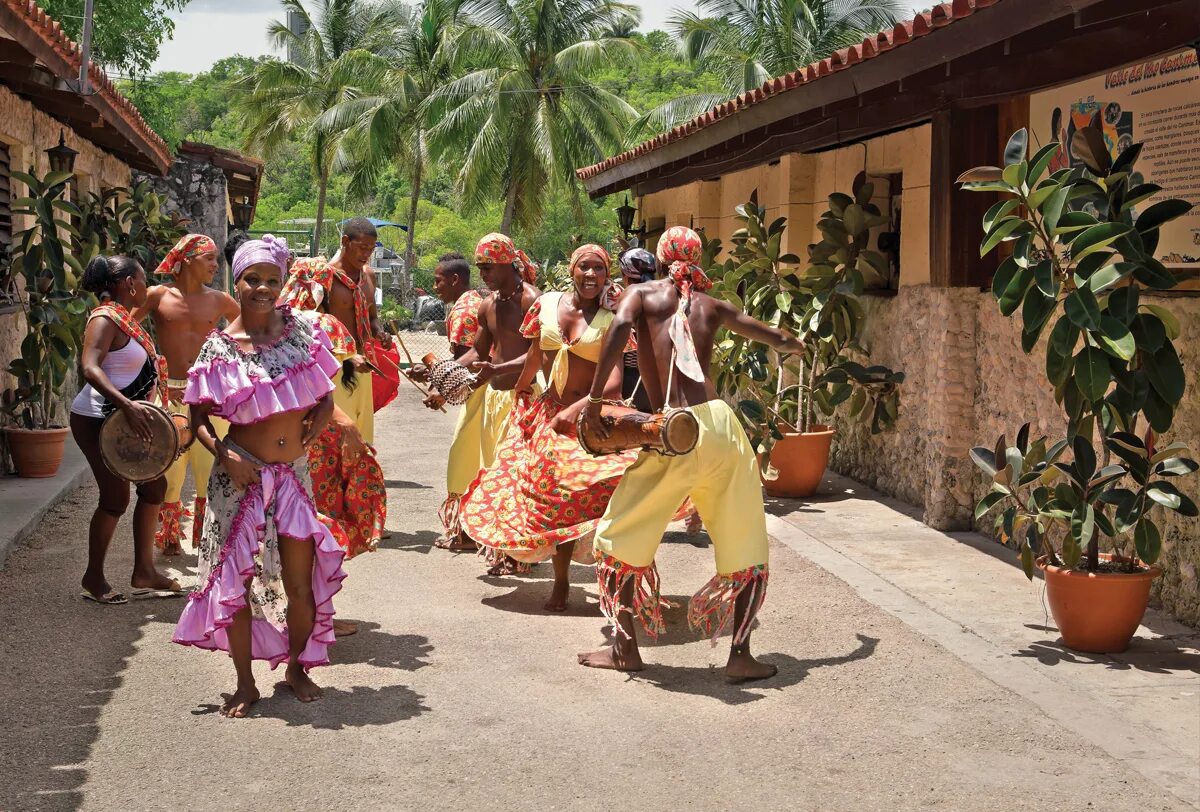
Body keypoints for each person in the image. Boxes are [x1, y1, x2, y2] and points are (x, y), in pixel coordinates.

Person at [577, 226, 803, 682]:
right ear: (698, 258)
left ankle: (624, 648)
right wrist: (793, 342)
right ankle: (740, 655)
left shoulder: (641, 295)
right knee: (743, 540)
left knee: (617, 536)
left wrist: (596, 400)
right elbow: (772, 336)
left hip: (674, 431)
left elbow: (619, 328)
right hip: (721, 426)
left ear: (658, 259)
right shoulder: (711, 305)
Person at [173, 235, 347, 718]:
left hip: (292, 477)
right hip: (239, 482)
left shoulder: (304, 334)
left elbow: (324, 391)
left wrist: (320, 420)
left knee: (299, 582)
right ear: (238, 280)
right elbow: (198, 416)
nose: (264, 289)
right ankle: (245, 683)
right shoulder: (219, 348)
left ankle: (296, 668)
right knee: (236, 585)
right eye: (253, 279)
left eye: (273, 280)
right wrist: (224, 454)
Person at [460, 245, 635, 611]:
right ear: (571, 270)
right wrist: (523, 388)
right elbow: (537, 354)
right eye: (584, 267)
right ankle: (561, 582)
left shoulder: (612, 318)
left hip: (594, 418)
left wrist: (580, 408)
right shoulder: (549, 305)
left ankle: (616, 580)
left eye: (599, 269)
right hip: (549, 416)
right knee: (553, 499)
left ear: (607, 276)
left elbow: (615, 383)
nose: (591, 275)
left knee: (615, 495)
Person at [278, 252, 386, 637]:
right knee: (322, 524)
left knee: (290, 526)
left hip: (283, 441)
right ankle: (319, 614)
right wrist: (349, 428)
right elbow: (326, 387)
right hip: (325, 440)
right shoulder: (325, 326)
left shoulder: (275, 328)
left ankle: (293, 612)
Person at [71, 255, 184, 604]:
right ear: (128, 284)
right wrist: (125, 404)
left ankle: (144, 571)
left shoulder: (125, 319)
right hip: (99, 418)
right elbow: (89, 367)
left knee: (155, 488)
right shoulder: (104, 319)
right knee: (114, 498)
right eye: (142, 277)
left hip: (126, 418)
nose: (146, 285)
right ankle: (93, 577)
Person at [133, 234, 239, 556]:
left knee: (212, 466)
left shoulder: (220, 300)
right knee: (168, 472)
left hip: (210, 396)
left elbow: (253, 331)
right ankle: (168, 539)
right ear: (189, 259)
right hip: (168, 396)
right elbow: (122, 327)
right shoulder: (157, 296)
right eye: (209, 258)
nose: (215, 265)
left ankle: (208, 537)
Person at [454, 233, 541, 570]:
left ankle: (518, 552)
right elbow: (478, 351)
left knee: (516, 478)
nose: (484, 274)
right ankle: (507, 551)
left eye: (488, 266)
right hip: (495, 399)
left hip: (524, 398)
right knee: (495, 475)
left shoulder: (531, 300)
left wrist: (497, 369)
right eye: (480, 268)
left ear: (507, 262)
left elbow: (541, 355)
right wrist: (441, 372)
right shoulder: (488, 304)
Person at [281, 217, 392, 445]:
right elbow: (306, 328)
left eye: (370, 250)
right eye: (361, 248)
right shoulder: (323, 277)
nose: (366, 255)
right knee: (336, 441)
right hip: (333, 369)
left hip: (363, 367)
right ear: (345, 241)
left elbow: (372, 319)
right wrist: (347, 357)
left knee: (361, 439)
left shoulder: (368, 276)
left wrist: (380, 332)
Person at [419, 253, 486, 551]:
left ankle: (466, 532)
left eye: (438, 281)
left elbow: (470, 360)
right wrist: (434, 372)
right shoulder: (475, 301)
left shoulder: (462, 310)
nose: (435, 288)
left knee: (464, 461)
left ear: (455, 280)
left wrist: (441, 388)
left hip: (483, 390)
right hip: (491, 388)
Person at [616, 248, 657, 412]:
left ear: (625, 276)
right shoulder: (664, 298)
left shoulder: (622, 301)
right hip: (658, 379)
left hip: (629, 380)